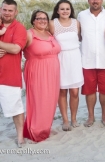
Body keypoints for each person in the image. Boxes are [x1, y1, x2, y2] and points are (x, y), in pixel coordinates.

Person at [23, 10, 61, 142]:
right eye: (39, 18)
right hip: (36, 71)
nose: (42, 21)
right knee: (38, 99)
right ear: (33, 20)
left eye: (45, 18)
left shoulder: (49, 33)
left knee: (50, 100)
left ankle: (45, 128)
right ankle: (35, 130)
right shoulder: (29, 34)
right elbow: (17, 48)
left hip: (53, 71)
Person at [77, 0, 105, 127]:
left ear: (102, 0)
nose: (95, 1)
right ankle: (90, 117)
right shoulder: (81, 15)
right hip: (87, 59)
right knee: (89, 90)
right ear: (88, 1)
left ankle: (104, 116)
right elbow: (79, 36)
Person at [49, 0, 84, 131]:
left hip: (75, 58)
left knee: (75, 92)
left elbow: (80, 39)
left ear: (71, 10)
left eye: (67, 9)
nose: (65, 11)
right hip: (60, 58)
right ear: (57, 10)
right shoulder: (53, 24)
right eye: (62, 9)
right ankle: (65, 120)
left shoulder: (76, 23)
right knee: (62, 91)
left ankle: (74, 118)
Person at [0, 0, 27, 147]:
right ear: (0, 9)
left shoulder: (19, 28)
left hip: (9, 75)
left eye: (10, 10)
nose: (7, 13)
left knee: (15, 107)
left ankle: (20, 137)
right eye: (4, 9)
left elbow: (16, 49)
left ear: (15, 12)